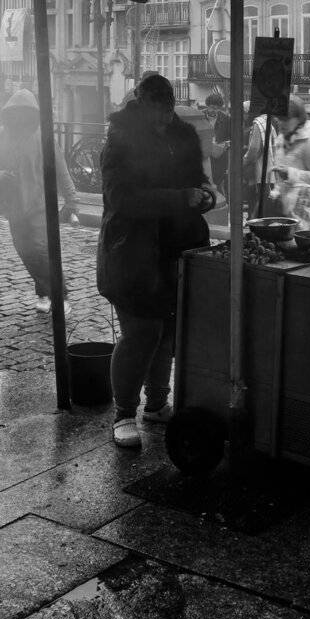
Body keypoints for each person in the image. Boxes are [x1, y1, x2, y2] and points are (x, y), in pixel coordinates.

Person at [97, 74, 216, 449]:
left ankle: (157, 403)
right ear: (143, 103)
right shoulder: (121, 139)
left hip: (175, 249)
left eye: (169, 110)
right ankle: (123, 413)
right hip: (132, 252)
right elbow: (122, 199)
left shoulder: (182, 135)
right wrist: (180, 198)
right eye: (159, 110)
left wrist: (206, 196)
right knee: (141, 334)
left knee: (167, 331)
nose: (166, 117)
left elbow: (199, 180)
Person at [0, 89, 79, 314]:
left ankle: (60, 295)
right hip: (13, 206)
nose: (20, 119)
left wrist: (72, 201)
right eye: (16, 113)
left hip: (40, 205)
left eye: (25, 114)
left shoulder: (43, 138)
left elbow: (61, 171)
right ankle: (43, 293)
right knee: (25, 250)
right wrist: (0, 175)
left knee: (42, 251)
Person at [270, 96, 310, 230]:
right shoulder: (281, 140)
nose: (281, 123)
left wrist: (291, 173)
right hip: (289, 214)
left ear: (299, 118)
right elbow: (282, 179)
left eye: (286, 119)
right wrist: (276, 192)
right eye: (279, 119)